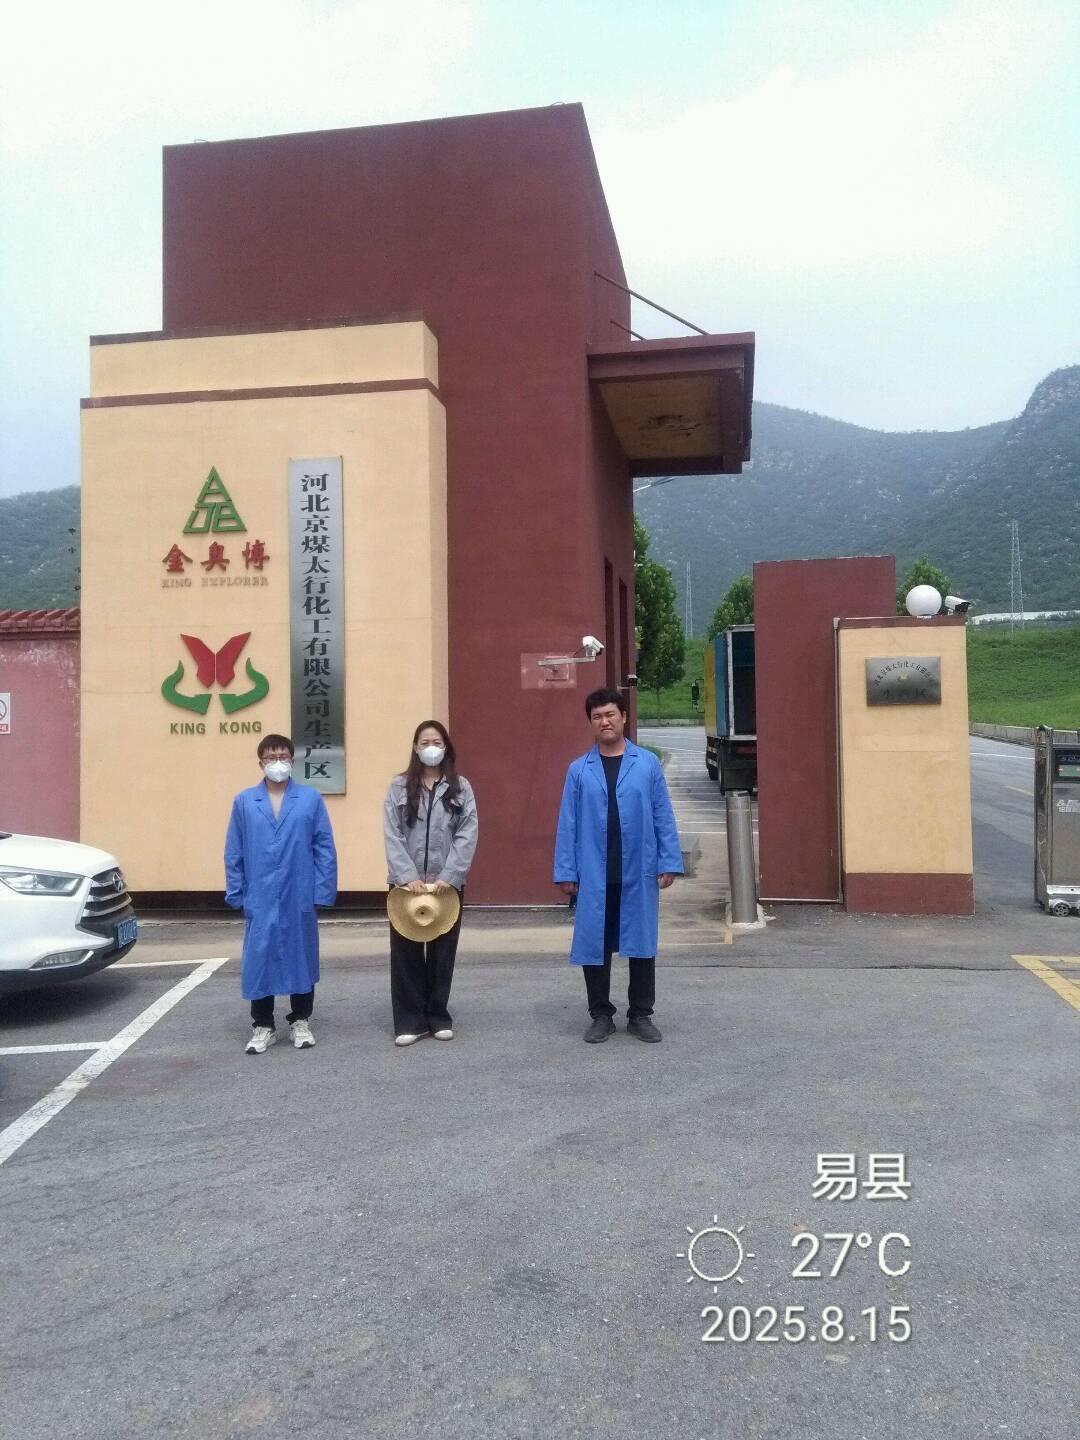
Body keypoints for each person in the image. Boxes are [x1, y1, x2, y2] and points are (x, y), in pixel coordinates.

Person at [554, 687, 683, 1043]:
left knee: (641, 943)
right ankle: (601, 1014)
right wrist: (566, 870)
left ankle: (641, 1014)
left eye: (610, 714)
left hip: (638, 869)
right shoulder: (579, 770)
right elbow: (568, 823)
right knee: (594, 944)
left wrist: (669, 860)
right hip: (595, 872)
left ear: (624, 717)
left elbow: (662, 814)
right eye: (597, 716)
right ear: (591, 723)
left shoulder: (647, 764)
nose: (605, 721)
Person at [225, 734, 338, 1054]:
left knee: (301, 955)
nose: (278, 762)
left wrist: (322, 890)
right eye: (271, 757)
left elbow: (324, 847)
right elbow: (234, 850)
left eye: (283, 756)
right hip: (259, 893)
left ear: (292, 760)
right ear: (260, 762)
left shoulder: (309, 799)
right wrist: (236, 891)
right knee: (260, 957)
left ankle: (301, 1020)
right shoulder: (245, 801)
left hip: (298, 891)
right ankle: (263, 1025)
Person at [383, 721, 478, 1046]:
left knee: (442, 952)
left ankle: (437, 1016)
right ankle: (409, 1021)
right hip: (405, 886)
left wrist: (450, 875)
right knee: (405, 953)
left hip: (445, 886)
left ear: (446, 746)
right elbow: (392, 833)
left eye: (436, 741)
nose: (430, 747)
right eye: (424, 742)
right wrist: (406, 875)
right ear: (415, 747)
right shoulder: (398, 787)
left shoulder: (460, 787)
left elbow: (467, 832)